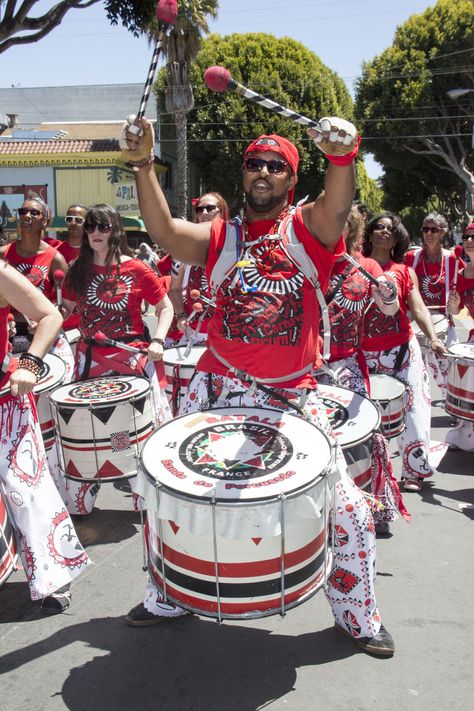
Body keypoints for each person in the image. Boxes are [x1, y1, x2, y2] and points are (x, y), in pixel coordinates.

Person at [119, 114, 395, 657]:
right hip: (217, 390)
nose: (264, 171)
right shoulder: (223, 236)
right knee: (170, 499)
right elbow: (166, 234)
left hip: (293, 396)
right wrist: (142, 163)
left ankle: (358, 615)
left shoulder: (310, 230)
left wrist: (343, 155)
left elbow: (338, 206)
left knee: (352, 513)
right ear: (243, 174)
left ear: (291, 182)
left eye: (277, 165)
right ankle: (168, 596)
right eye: (254, 164)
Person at [55, 204, 174, 515]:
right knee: (84, 430)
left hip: (132, 359)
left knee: (135, 432)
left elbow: (165, 308)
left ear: (115, 231)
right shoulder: (76, 271)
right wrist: (47, 319)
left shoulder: (137, 269)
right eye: (90, 227)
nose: (95, 233)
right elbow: (65, 309)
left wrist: (159, 339)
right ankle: (83, 493)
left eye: (103, 227)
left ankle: (142, 494)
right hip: (90, 358)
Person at [0, 259, 90, 613]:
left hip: (5, 402)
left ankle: (54, 575)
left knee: (25, 488)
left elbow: (50, 316)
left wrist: (30, 362)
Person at [314, 206, 408, 535]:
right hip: (308, 371)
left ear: (351, 229)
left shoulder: (365, 266)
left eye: (342, 223)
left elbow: (389, 306)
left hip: (349, 367)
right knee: (315, 443)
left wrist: (389, 293)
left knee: (357, 440)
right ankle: (319, 517)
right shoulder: (306, 264)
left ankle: (367, 508)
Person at [361, 213, 448, 492]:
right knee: (368, 416)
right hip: (365, 352)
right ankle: (368, 473)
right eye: (379, 227)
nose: (384, 232)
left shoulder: (404, 270)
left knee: (414, 409)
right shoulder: (356, 266)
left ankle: (414, 471)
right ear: (369, 233)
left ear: (398, 237)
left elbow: (418, 308)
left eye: (390, 229)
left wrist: (433, 338)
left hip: (402, 350)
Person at [0, 197, 74, 381]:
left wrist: (47, 319)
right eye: (23, 211)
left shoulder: (55, 258)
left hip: (40, 335)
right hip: (9, 335)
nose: (27, 216)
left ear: (45, 221)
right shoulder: (3, 254)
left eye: (34, 213)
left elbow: (64, 306)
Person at [404, 213, 464, 395]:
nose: (428, 233)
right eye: (425, 229)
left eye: (434, 229)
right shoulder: (410, 258)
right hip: (415, 321)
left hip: (442, 321)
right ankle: (415, 401)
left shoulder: (452, 260)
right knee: (412, 371)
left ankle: (452, 402)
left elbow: (463, 286)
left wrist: (456, 304)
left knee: (448, 370)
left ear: (442, 233)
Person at [169, 192, 230, 346]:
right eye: (199, 210)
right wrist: (181, 315)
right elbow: (174, 289)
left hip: (228, 337)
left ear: (223, 213)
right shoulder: (183, 250)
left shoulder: (237, 246)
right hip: (194, 336)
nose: (204, 213)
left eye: (210, 209)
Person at [445, 222, 474, 451]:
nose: (470, 241)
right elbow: (458, 311)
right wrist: (453, 307)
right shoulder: (463, 274)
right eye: (467, 237)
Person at [57, 203, 88, 333]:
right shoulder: (55, 254)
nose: (73, 223)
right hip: (61, 326)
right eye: (69, 219)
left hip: (89, 326)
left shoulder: (96, 253)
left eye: (78, 220)